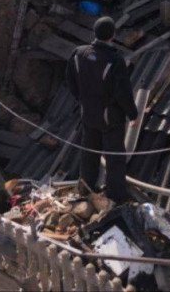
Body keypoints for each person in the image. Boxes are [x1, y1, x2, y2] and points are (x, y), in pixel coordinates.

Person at [65, 16, 138, 202]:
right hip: (110, 117)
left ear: (95, 33)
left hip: (88, 114)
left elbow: (71, 82)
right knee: (114, 158)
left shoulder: (78, 54)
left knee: (89, 152)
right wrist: (133, 114)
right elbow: (123, 92)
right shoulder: (114, 60)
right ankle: (115, 195)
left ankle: (86, 189)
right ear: (113, 35)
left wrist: (81, 100)